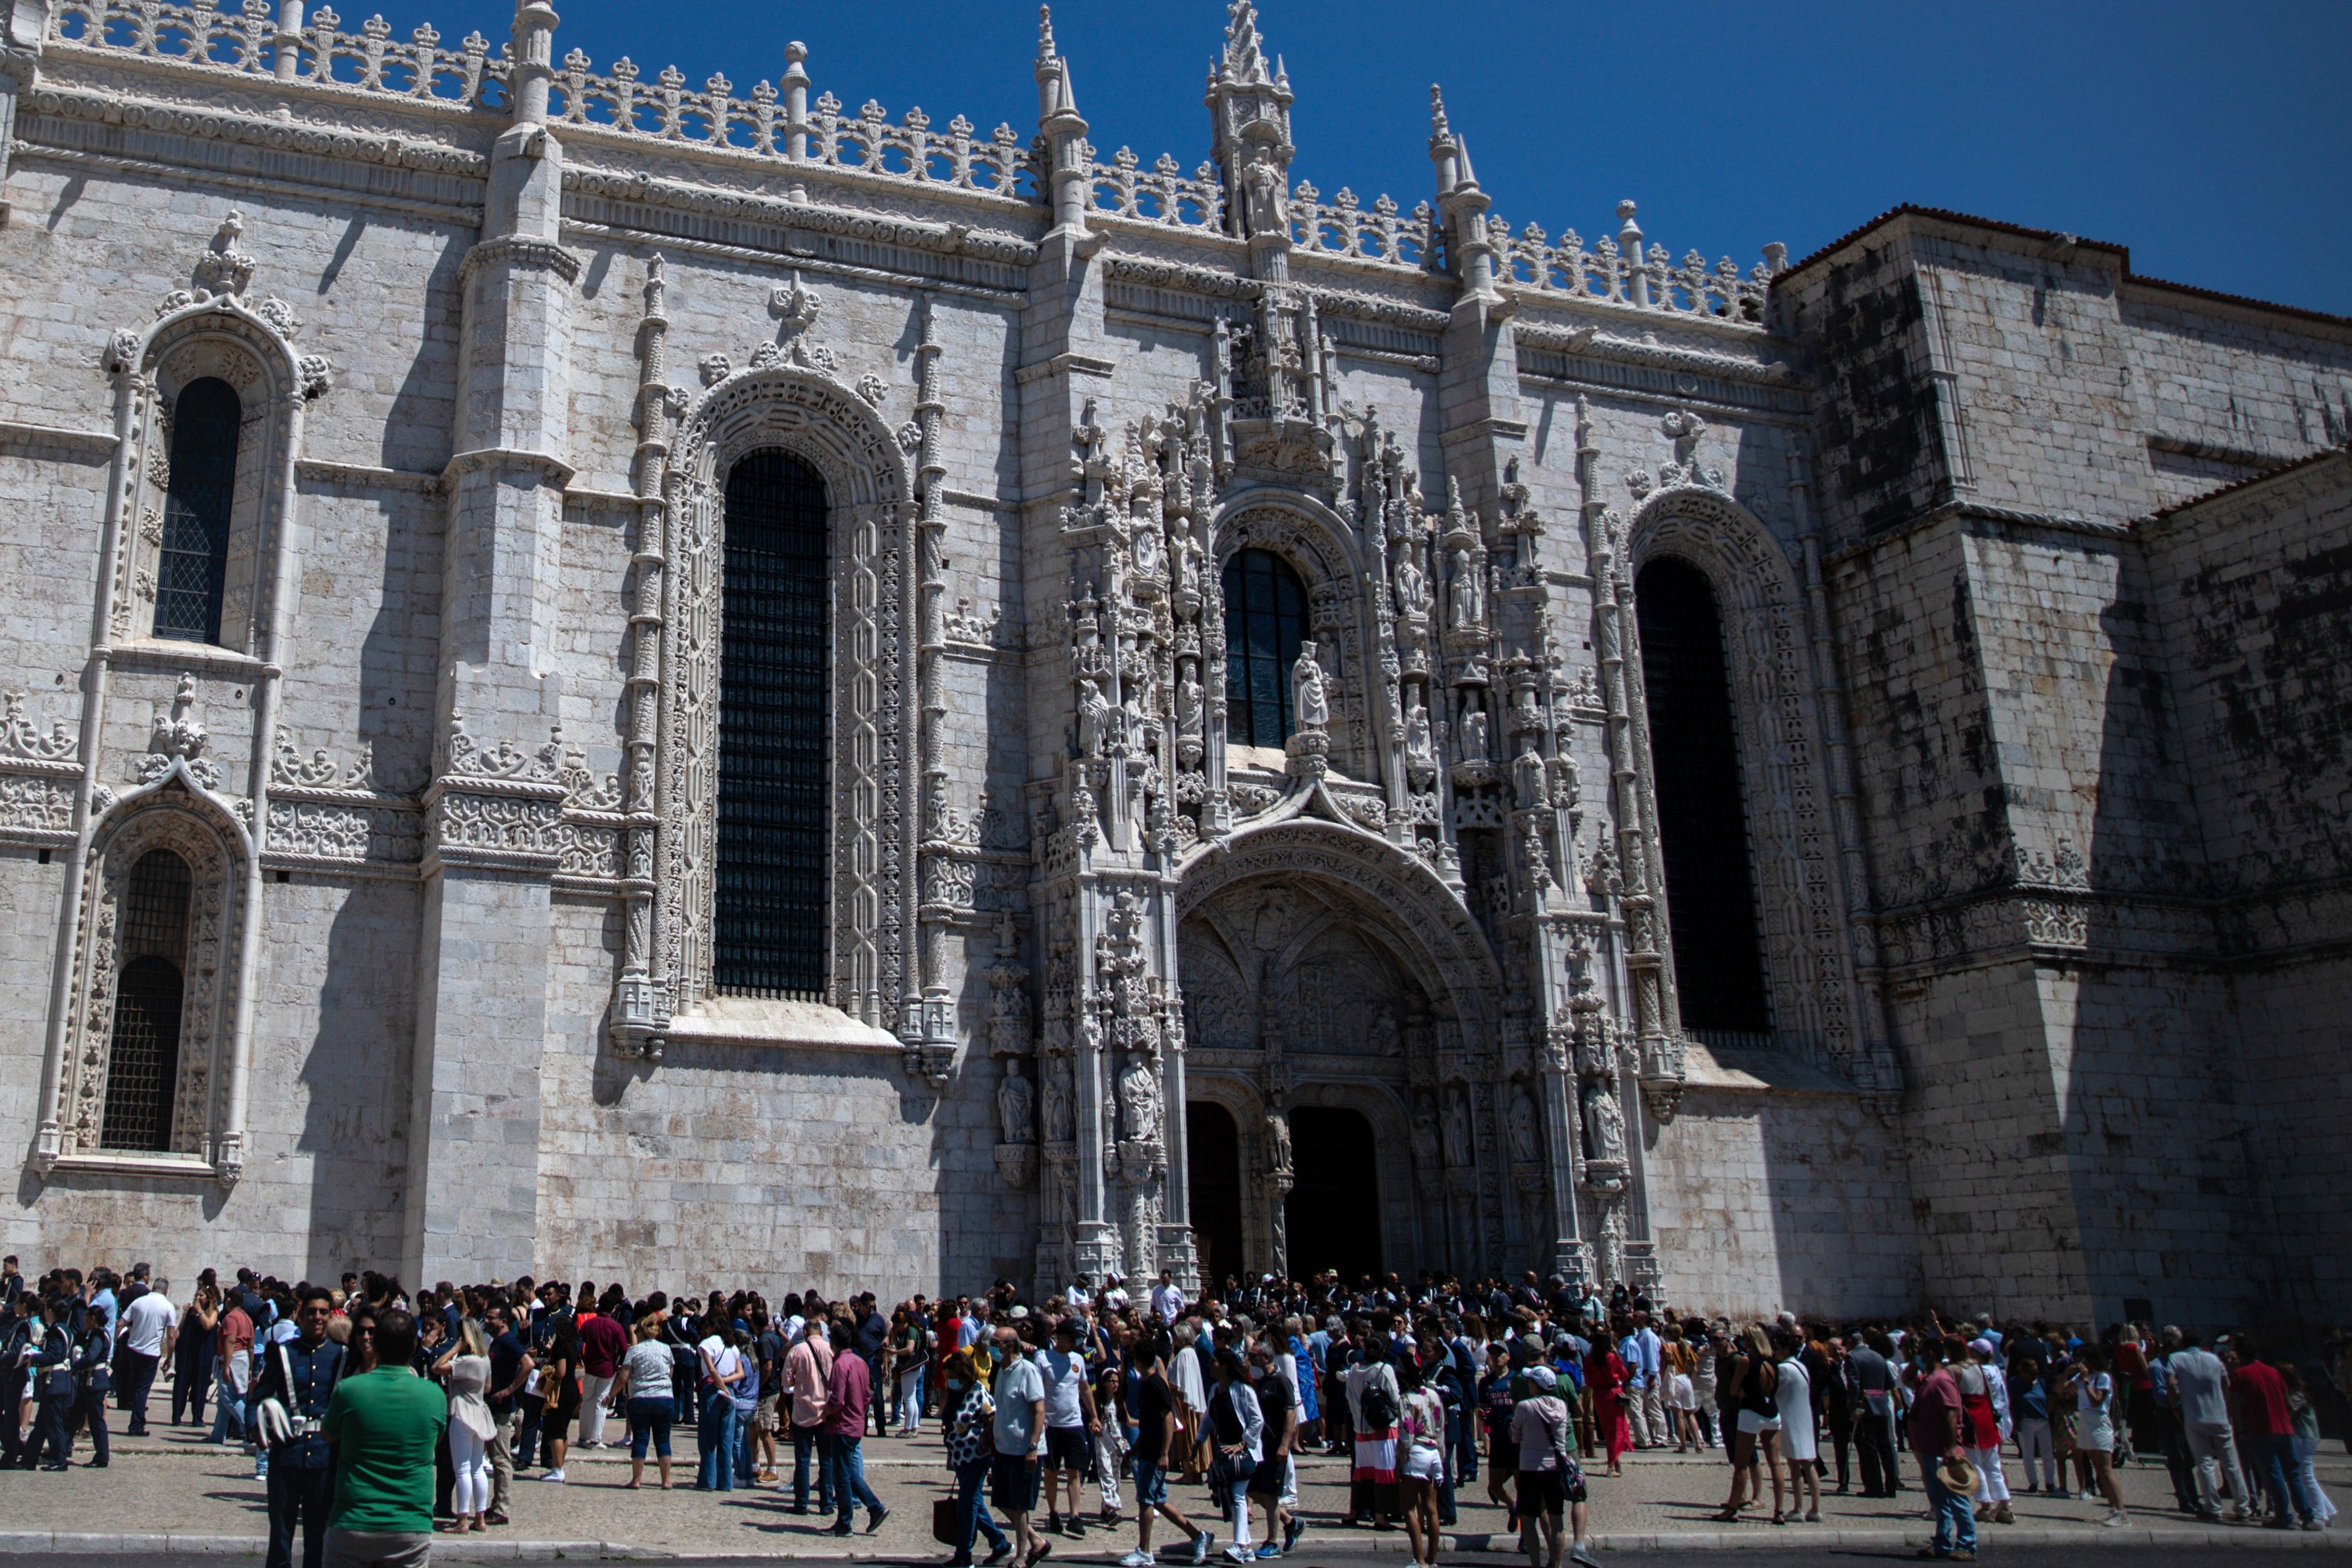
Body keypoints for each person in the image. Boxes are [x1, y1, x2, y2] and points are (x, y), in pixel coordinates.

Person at [320, 1308, 446, 1568]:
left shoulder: (349, 1390)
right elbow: (434, 1441)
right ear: (415, 1345)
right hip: (409, 1523)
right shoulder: (434, 1395)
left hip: (353, 1519)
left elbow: (328, 1433)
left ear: (376, 1343)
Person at [251, 1287, 345, 1568]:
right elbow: (257, 1397)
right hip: (287, 1453)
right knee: (280, 1533)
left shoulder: (341, 1356)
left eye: (323, 1312)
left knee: (318, 1535)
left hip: (324, 1458)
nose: (317, 1317)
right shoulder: (283, 1353)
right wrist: (254, 1427)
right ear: (302, 1315)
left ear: (331, 1316)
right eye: (312, 1312)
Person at [1120, 1331, 1214, 1568]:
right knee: (1158, 1501)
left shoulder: (1155, 1385)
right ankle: (1198, 1535)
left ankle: (1144, 1551)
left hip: (1156, 1453)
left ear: (1139, 1361)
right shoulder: (1147, 1385)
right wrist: (1136, 1448)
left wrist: (1164, 1453)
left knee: (1145, 1500)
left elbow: (1168, 1419)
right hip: (1148, 1448)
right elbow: (1150, 1422)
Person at [1508, 1365, 1600, 1568]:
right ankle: (1555, 1564)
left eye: (1530, 1381)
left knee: (1529, 1520)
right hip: (1554, 1469)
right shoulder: (1561, 1405)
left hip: (1530, 1469)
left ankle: (1536, 1565)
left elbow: (1515, 1437)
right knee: (1557, 1520)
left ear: (1535, 1385)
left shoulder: (1525, 1406)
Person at [944, 1344, 1018, 1568]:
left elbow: (992, 1419)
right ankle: (999, 1542)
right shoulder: (957, 1393)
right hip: (959, 1457)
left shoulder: (978, 1392)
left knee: (966, 1505)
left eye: (952, 1377)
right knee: (975, 1502)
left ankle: (964, 1555)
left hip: (976, 1457)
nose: (949, 1382)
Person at [2230, 1336, 2316, 1530]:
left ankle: (2283, 1516)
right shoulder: (2273, 1372)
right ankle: (2307, 1516)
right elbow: (2285, 1399)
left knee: (2273, 1473)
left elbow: (2235, 1405)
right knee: (2293, 1473)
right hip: (2284, 1427)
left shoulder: (2239, 1374)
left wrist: (2240, 1429)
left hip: (2260, 1428)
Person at [2168, 1329, 2251, 1522]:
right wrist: (2228, 1409)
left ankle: (2213, 1507)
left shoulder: (2177, 1358)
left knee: (2204, 1463)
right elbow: (2226, 1384)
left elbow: (2171, 1384)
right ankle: (2242, 1507)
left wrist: (2175, 1406)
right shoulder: (2215, 1360)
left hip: (2194, 1416)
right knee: (2231, 1463)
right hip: (2219, 1415)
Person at [1906, 1337, 1975, 1561]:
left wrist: (1951, 1447)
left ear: (1932, 1354)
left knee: (1956, 1499)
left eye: (1922, 1352)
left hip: (1943, 1450)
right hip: (1927, 1448)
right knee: (1938, 1501)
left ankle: (1967, 1544)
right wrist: (1914, 1363)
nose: (1919, 1355)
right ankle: (1942, 1542)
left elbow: (1951, 1415)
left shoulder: (1942, 1380)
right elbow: (1906, 1379)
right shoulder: (1927, 1379)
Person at [990, 1323, 1051, 1568]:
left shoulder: (1027, 1370)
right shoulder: (1001, 1371)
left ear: (1011, 1346)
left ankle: (1020, 1557)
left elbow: (1039, 1410)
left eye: (997, 1343)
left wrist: (1033, 1446)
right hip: (1004, 1446)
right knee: (1002, 1501)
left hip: (1024, 1448)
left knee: (1020, 1503)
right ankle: (1037, 1541)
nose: (993, 1347)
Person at [823, 1318, 890, 1534]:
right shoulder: (860, 1362)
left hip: (842, 1425)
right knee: (848, 1473)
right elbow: (867, 1394)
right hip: (856, 1423)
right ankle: (875, 1507)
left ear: (833, 1342)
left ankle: (845, 1522)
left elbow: (837, 1400)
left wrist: (824, 1413)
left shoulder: (840, 1365)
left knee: (841, 1477)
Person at [1712, 1326, 1784, 1524]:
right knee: (1775, 1463)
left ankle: (1733, 1507)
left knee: (1741, 1463)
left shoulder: (1746, 1360)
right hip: (1772, 1413)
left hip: (1751, 1412)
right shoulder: (1774, 1362)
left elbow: (1734, 1389)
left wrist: (1742, 1390)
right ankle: (1779, 1511)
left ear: (1750, 1341)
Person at [1038, 1317, 1098, 1536]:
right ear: (1060, 1338)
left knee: (1075, 1471)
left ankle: (1075, 1516)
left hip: (1074, 1423)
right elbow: (1037, 1391)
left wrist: (1094, 1416)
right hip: (1051, 1424)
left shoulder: (1078, 1360)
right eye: (1070, 1339)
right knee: (1051, 1471)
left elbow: (1084, 1388)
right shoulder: (1044, 1359)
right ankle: (1053, 1512)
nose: (1074, 1344)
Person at [437, 1318, 496, 1534]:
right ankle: (479, 1518)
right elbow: (488, 1387)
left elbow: (437, 1367)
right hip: (479, 1412)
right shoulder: (484, 1360)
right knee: (477, 1467)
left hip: (462, 1413)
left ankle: (462, 1519)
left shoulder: (464, 1361)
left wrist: (454, 1349)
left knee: (461, 1468)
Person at [1205, 1347, 1265, 1565]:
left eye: (1214, 1362)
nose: (1210, 1365)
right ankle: (1246, 1547)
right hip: (1224, 1453)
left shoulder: (1243, 1390)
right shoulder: (1215, 1390)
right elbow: (1208, 1418)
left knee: (1238, 1495)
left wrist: (1243, 1443)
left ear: (1225, 1366)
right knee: (1231, 1497)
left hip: (1245, 1454)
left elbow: (1257, 1420)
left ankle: (1240, 1544)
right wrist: (1198, 1441)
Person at [2058, 1344, 2126, 1527]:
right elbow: (2061, 1389)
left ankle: (2121, 1511)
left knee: (2106, 1469)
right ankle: (2113, 1508)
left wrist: (2086, 1381)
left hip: (2098, 1421)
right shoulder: (2081, 1377)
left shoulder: (2102, 1377)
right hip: (2085, 1420)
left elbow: (2097, 1401)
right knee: (2098, 1467)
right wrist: (2068, 1373)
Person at [1246, 1337, 1303, 1559]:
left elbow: (1291, 1413)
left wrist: (1285, 1445)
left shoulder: (1281, 1381)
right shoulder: (1260, 1381)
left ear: (1266, 1358)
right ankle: (1290, 1522)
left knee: (1271, 1494)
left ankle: (1272, 1542)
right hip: (1260, 1445)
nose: (1250, 1360)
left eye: (1253, 1357)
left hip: (1275, 1445)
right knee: (1251, 1490)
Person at [1340, 1333, 1400, 1529]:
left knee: (1361, 1473)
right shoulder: (1385, 1369)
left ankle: (1354, 1512)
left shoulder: (1353, 1370)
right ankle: (1381, 1516)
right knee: (1383, 1473)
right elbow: (1395, 1398)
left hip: (1361, 1429)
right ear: (1383, 1351)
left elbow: (1349, 1398)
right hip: (1383, 1429)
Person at [1395, 1348, 1445, 1568]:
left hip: (1415, 1452)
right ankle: (1433, 1559)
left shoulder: (1406, 1399)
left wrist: (1399, 1461)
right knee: (1431, 1508)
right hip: (1434, 1450)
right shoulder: (1433, 1395)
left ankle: (1420, 1559)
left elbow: (1406, 1435)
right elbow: (1442, 1426)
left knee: (1409, 1508)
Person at [483, 1301, 531, 1525]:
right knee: (495, 1457)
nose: (487, 1320)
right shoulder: (497, 1342)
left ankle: (502, 1509)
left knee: (502, 1459)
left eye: (492, 1317)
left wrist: (510, 1389)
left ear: (503, 1321)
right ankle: (495, 1505)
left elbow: (527, 1364)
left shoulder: (509, 1341)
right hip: (493, 1406)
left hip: (502, 1410)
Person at [617, 1314, 677, 1490]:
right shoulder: (666, 1349)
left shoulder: (634, 1351)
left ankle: (636, 1480)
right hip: (664, 1397)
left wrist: (611, 1395)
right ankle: (666, 1481)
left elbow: (624, 1377)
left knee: (641, 1439)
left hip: (641, 1398)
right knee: (663, 1440)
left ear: (641, 1333)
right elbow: (670, 1374)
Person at [785, 1316, 835, 1513]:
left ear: (805, 1333)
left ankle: (801, 1504)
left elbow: (786, 1381)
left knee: (803, 1460)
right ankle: (826, 1504)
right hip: (826, 1412)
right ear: (821, 1333)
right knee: (826, 1460)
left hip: (802, 1412)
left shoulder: (797, 1350)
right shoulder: (830, 1350)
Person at [117, 1274, 175, 1437]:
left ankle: (139, 1420)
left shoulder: (139, 1302)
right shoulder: (167, 1307)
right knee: (142, 1389)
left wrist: (115, 1343)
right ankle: (136, 1425)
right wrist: (170, 1357)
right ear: (166, 1290)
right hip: (150, 1353)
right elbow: (171, 1335)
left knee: (136, 1387)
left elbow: (121, 1323)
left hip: (133, 1349)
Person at [695, 1315, 744, 1492]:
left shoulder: (707, 1344)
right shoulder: (733, 1347)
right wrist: (726, 1385)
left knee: (708, 1438)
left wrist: (720, 1384)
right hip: (729, 1391)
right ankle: (725, 1482)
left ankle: (708, 1480)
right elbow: (740, 1373)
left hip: (712, 1389)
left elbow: (711, 1369)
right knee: (726, 1438)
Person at [1775, 1329, 1820, 1524]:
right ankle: (1815, 1509)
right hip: (1805, 1419)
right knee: (1808, 1464)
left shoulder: (1784, 1369)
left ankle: (1798, 1508)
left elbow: (1775, 1391)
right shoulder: (1801, 1366)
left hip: (1791, 1419)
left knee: (1795, 1466)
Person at [576, 1292, 627, 1453]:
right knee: (602, 1402)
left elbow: (578, 1343)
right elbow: (625, 1349)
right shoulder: (615, 1327)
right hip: (607, 1369)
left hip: (590, 1367)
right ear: (614, 1308)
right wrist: (620, 1365)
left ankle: (583, 1437)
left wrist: (582, 1359)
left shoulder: (589, 1324)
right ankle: (596, 1438)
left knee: (587, 1402)